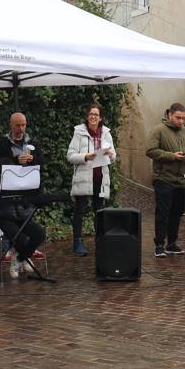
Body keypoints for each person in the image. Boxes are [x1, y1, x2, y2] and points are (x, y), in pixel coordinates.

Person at [145, 103, 185, 258]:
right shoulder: (158, 130)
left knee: (177, 212)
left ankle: (172, 243)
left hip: (181, 180)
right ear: (170, 115)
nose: (181, 121)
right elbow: (150, 150)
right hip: (163, 177)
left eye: (183, 118)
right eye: (178, 118)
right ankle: (159, 244)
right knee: (163, 212)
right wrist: (172, 156)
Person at [66, 104, 116, 257]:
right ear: (87, 117)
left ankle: (100, 241)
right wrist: (86, 156)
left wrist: (109, 155)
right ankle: (78, 242)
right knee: (80, 211)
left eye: (96, 114)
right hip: (83, 178)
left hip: (100, 178)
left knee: (99, 211)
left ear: (101, 118)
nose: (93, 117)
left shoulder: (106, 133)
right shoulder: (79, 132)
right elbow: (70, 156)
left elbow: (114, 156)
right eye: (91, 114)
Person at [0, 161, 47, 281]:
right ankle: (19, 260)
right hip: (1, 220)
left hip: (19, 218)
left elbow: (28, 201)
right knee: (20, 237)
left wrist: (26, 206)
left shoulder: (17, 184)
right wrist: (2, 213)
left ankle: (21, 258)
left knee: (39, 233)